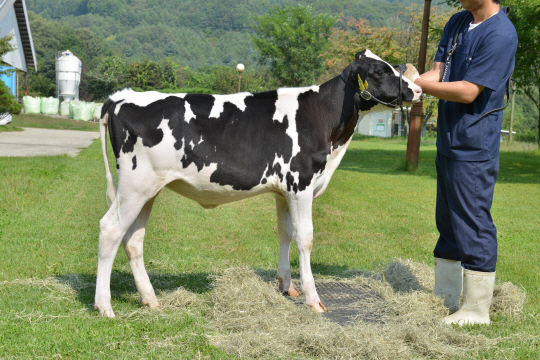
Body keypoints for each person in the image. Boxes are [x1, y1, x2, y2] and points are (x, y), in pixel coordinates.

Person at [412, 0, 518, 325]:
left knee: (472, 222)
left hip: (474, 146)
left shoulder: (501, 35)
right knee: (447, 222)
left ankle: (476, 310)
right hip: (448, 140)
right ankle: (445, 297)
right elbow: (438, 71)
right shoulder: (458, 21)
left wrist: (415, 84)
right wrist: (412, 82)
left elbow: (468, 91)